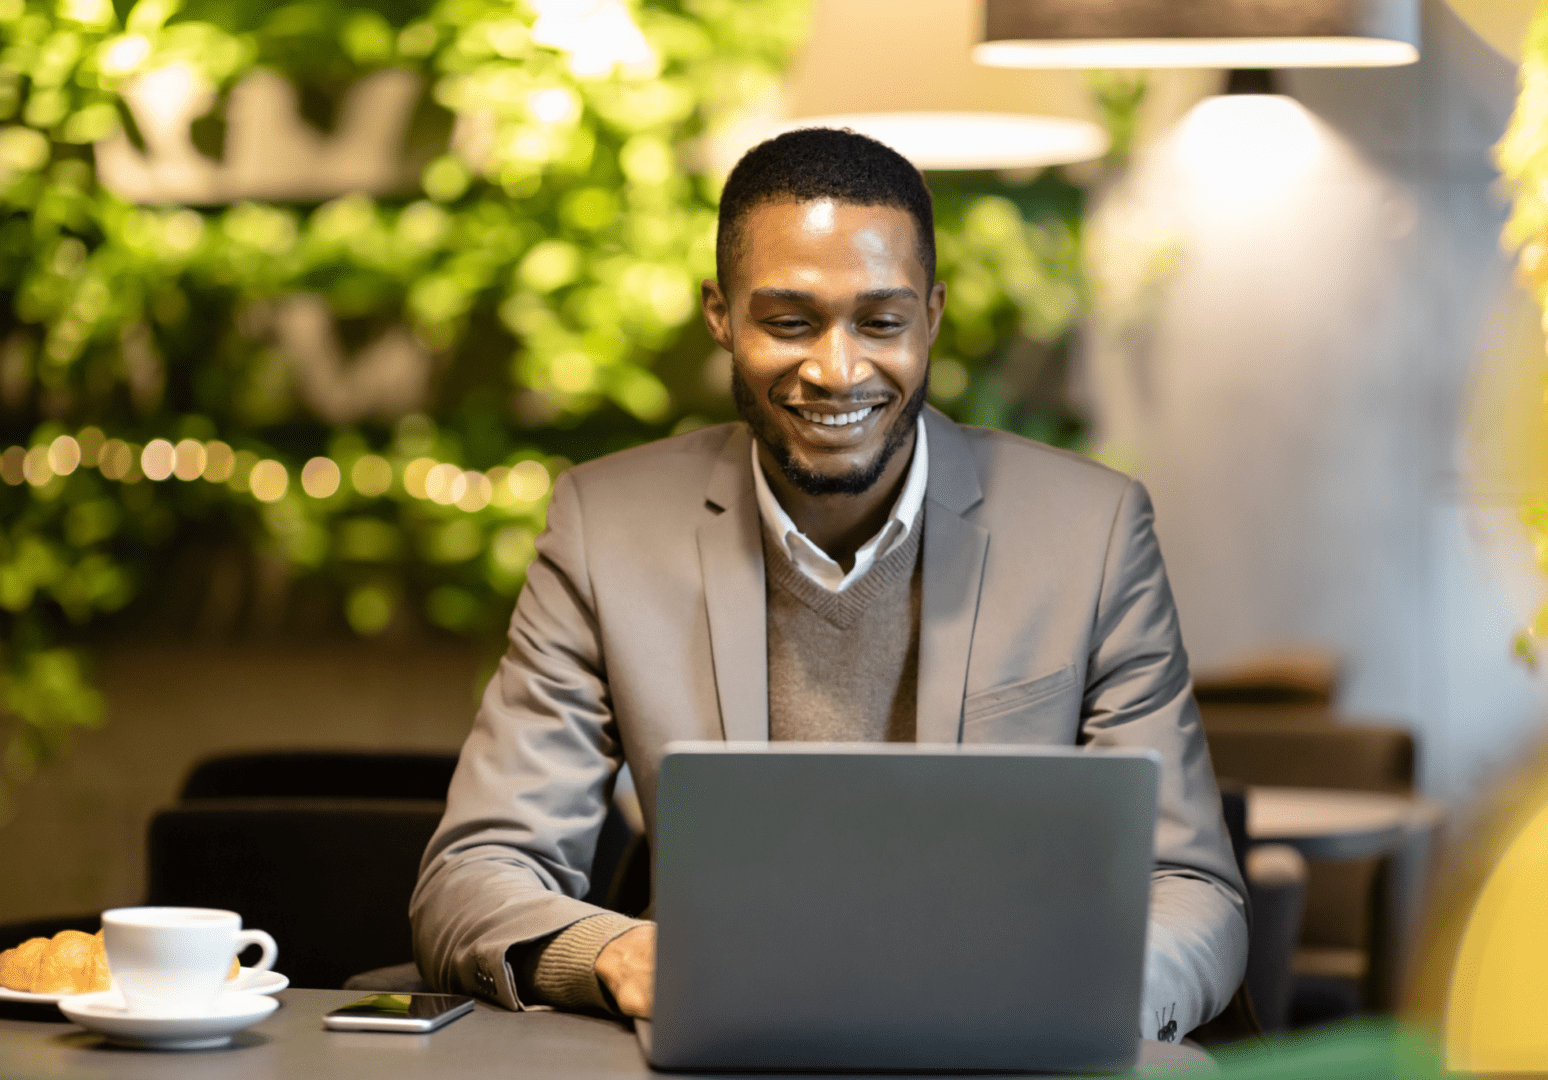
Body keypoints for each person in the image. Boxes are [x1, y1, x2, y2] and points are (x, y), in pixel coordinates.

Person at [411, 127, 1248, 1042]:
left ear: (932, 316)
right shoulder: (603, 529)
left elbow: (1194, 887)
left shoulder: (1092, 532)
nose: (837, 370)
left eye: (880, 322)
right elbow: (475, 873)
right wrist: (620, 956)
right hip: (725, 1041)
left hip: (1007, 1050)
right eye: (790, 322)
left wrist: (1080, 1001)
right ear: (720, 316)